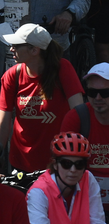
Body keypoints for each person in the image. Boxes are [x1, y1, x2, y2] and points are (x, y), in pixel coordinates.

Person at [0, 24, 85, 174]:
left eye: (16, 45)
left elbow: (79, 113)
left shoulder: (63, 69)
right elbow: (4, 120)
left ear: (34, 50)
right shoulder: (12, 75)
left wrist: (74, 156)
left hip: (56, 164)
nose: (12, 49)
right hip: (20, 164)